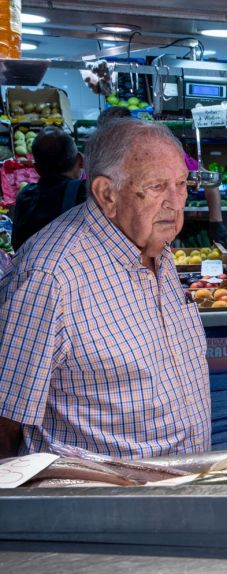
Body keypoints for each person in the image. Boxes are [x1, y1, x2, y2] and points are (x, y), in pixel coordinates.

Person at [0, 119, 211, 458]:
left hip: (183, 493)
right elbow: (5, 423)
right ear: (106, 194)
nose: (175, 202)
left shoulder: (157, 247)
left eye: (182, 184)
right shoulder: (49, 277)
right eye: (157, 187)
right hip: (106, 505)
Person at [10, 127, 85, 251]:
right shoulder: (87, 193)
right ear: (80, 160)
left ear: (36, 168)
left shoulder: (25, 195)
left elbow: (17, 245)